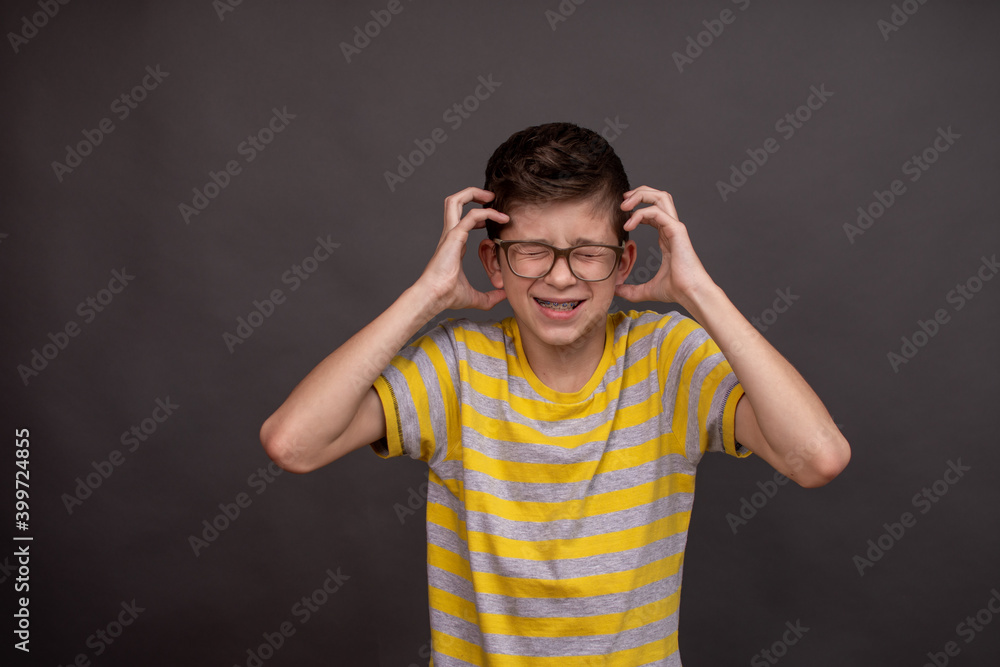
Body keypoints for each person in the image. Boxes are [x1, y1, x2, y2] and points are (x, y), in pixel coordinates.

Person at [259, 122, 851, 665]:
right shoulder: (456, 366)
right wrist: (427, 295)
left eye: (588, 253)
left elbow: (818, 457)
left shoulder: (670, 357)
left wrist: (700, 293)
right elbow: (295, 444)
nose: (560, 276)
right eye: (531, 250)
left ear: (625, 264)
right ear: (492, 260)